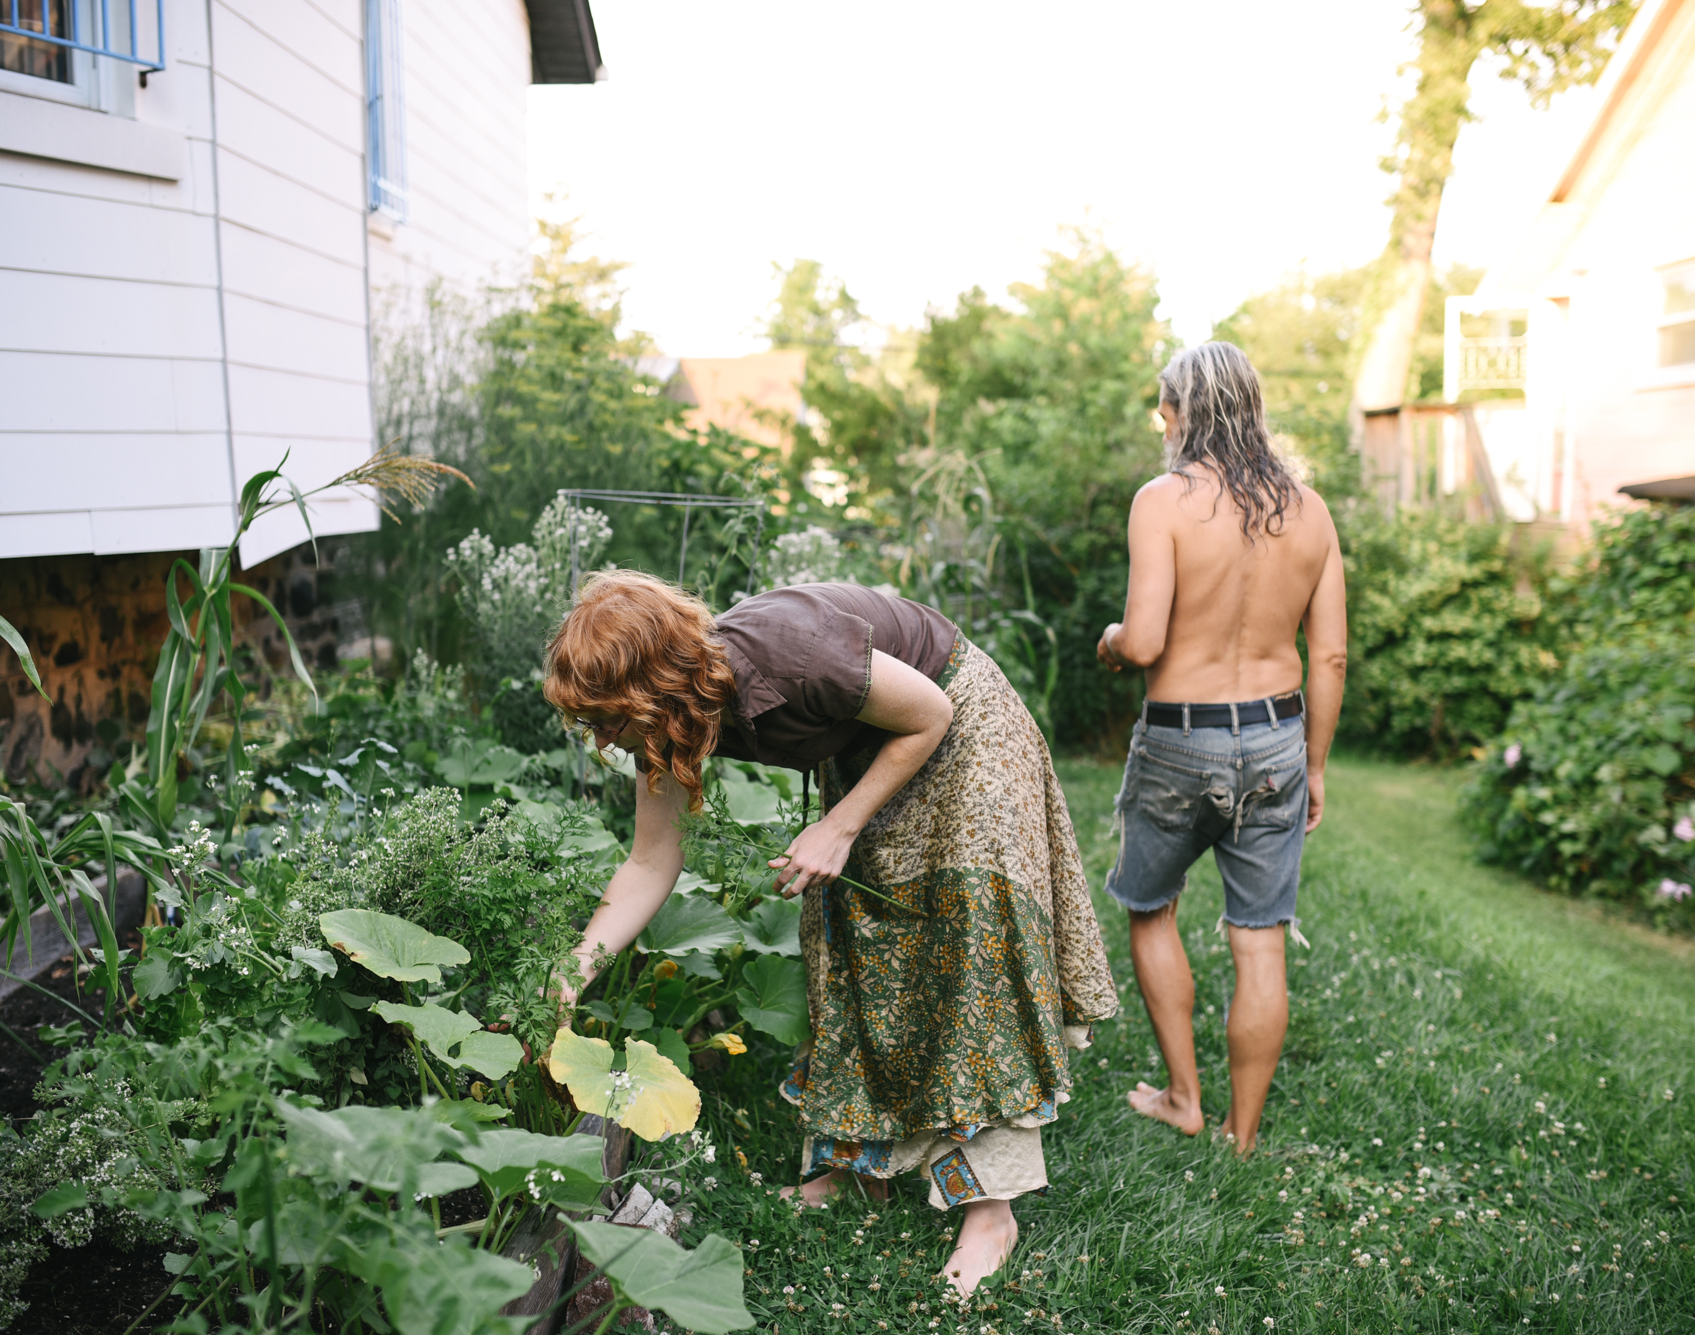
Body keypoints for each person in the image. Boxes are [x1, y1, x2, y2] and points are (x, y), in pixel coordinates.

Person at [543, 572, 1117, 1298]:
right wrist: (567, 976)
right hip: (878, 740)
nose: (600, 739)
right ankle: (855, 1171)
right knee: (855, 940)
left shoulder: (793, 654)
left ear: (656, 685)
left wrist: (839, 825)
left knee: (971, 955)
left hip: (962, 722)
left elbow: (932, 711)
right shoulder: (669, 723)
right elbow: (651, 861)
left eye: (606, 717)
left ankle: (991, 1211)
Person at [1095, 340, 1347, 1155]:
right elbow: (1332, 655)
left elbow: (1142, 642)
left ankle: (1184, 1094)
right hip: (1276, 734)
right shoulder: (1309, 510)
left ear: (1182, 412)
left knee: (1150, 906)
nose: (1157, 420)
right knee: (1260, 937)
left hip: (1181, 737)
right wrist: (1312, 763)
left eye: (1161, 406)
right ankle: (1243, 1134)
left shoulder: (1161, 501)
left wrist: (1108, 640)